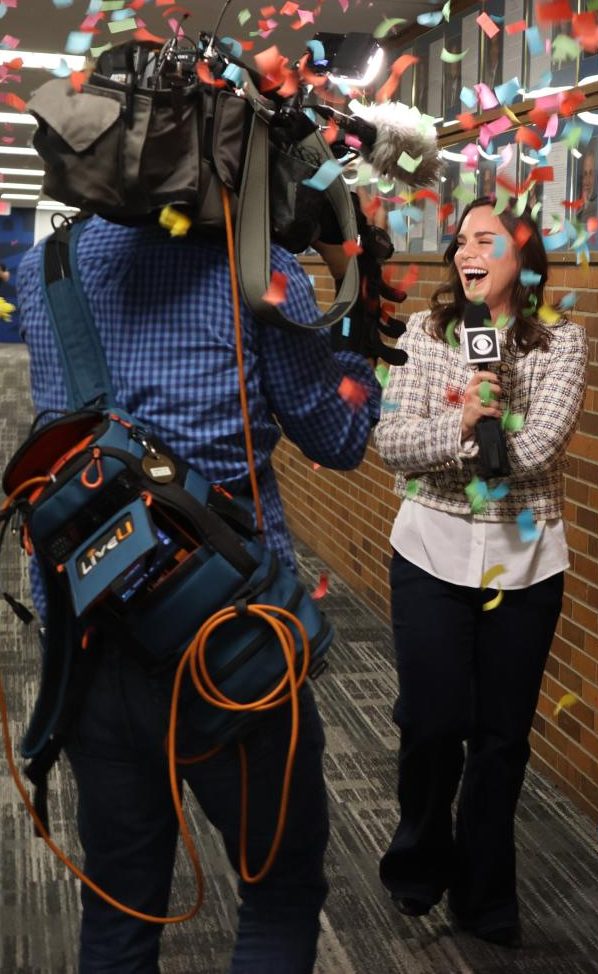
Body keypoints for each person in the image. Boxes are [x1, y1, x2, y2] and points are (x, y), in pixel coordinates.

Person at [16, 215, 381, 972]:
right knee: (278, 892)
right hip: (233, 646)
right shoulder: (260, 269)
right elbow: (340, 437)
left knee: (120, 904)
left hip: (89, 641)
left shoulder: (46, 266)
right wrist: (356, 305)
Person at [375, 197, 587, 947]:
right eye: (461, 240)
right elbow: (391, 442)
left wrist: (459, 438)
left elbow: (533, 452)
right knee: (431, 724)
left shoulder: (561, 342)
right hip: (429, 552)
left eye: (485, 239)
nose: (466, 251)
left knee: (500, 741)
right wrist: (462, 426)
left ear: (522, 258)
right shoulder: (424, 333)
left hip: (524, 563)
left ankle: (485, 894)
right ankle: (418, 859)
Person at [574, 141, 598, 223]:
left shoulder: (597, 208)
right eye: (585, 174)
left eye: (591, 173)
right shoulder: (578, 207)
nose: (587, 180)